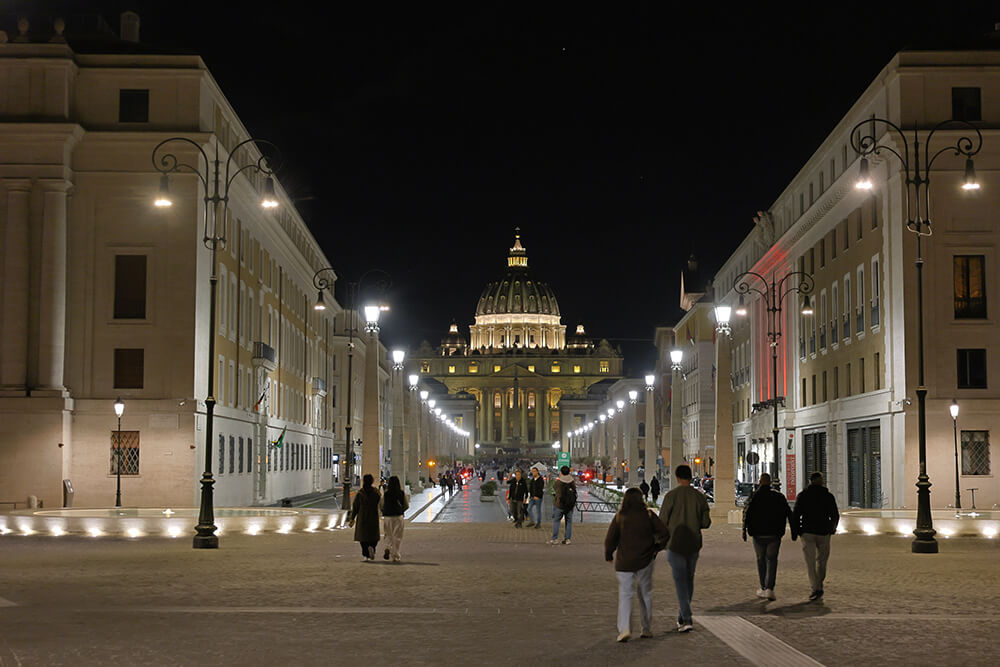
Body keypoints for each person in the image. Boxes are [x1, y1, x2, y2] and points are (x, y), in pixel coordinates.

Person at [605, 488, 669, 642]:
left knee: (626, 594)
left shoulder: (620, 516)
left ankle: (624, 629)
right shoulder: (648, 515)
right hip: (645, 560)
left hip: (624, 561)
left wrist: (609, 554)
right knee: (645, 594)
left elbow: (610, 538)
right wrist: (657, 548)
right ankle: (646, 628)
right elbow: (665, 533)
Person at [659, 464, 711, 633]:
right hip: (693, 544)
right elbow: (706, 523)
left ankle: (686, 618)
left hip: (675, 544)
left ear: (677, 477)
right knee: (689, 579)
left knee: (680, 581)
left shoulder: (671, 496)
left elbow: (662, 521)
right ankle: (682, 616)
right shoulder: (699, 497)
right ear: (690, 477)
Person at [742, 473, 796, 601]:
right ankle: (770, 588)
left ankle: (763, 586)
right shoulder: (778, 496)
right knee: (772, 560)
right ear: (770, 482)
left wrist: (744, 530)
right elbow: (789, 513)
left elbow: (746, 513)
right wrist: (794, 531)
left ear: (760, 481)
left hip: (758, 534)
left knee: (761, 560)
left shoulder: (754, 496)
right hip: (774, 533)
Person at [793, 472, 840, 601]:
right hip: (824, 532)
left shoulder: (803, 495)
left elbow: (796, 514)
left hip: (807, 532)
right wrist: (832, 528)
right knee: (822, 561)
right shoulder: (828, 496)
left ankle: (816, 587)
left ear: (810, 481)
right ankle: (819, 583)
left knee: (810, 562)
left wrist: (797, 531)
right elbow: (835, 515)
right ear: (821, 481)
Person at [348, 473, 381, 561]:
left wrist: (352, 518)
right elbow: (380, 503)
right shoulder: (376, 492)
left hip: (362, 516)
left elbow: (355, 506)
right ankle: (372, 547)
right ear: (372, 481)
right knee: (374, 536)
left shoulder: (360, 493)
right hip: (373, 516)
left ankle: (366, 554)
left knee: (363, 537)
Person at [380, 475, 409, 562]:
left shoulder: (386, 494)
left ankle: (387, 547)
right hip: (398, 516)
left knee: (388, 534)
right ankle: (395, 555)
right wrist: (401, 510)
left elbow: (381, 505)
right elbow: (406, 505)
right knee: (397, 536)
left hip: (387, 517)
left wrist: (384, 511)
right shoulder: (401, 493)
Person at [549, 465, 577, 545]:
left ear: (561, 472)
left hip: (559, 504)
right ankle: (567, 539)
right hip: (569, 505)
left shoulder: (559, 482)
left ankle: (555, 539)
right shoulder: (572, 481)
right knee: (569, 522)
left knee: (556, 521)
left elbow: (554, 488)